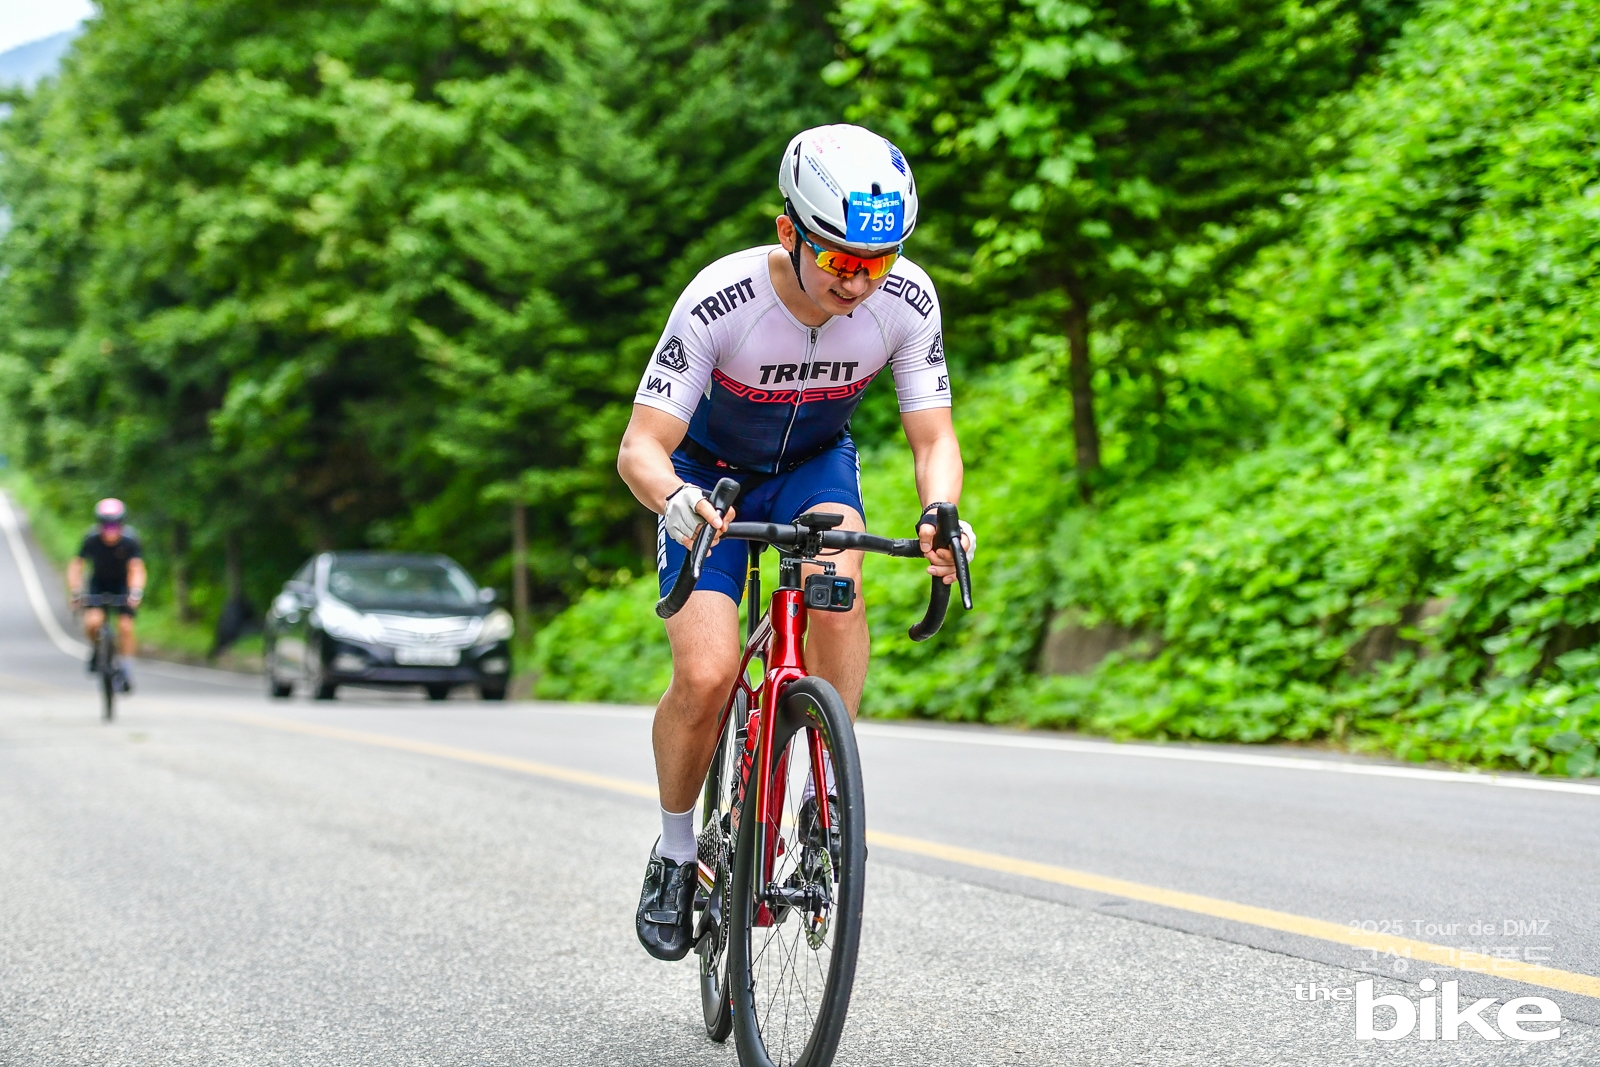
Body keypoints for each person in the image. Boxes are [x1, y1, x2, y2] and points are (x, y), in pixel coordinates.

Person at [617, 123, 976, 961]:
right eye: (841, 259)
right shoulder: (721, 298)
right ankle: (676, 851)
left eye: (878, 262)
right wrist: (674, 499)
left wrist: (940, 511)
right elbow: (640, 447)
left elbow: (933, 436)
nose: (859, 281)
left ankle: (823, 785)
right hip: (707, 478)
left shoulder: (907, 298)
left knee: (838, 592)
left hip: (813, 467)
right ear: (789, 231)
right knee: (706, 674)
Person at [67, 498, 146, 692]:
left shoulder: (130, 541)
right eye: (106, 525)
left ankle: (126, 669)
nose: (110, 530)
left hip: (122, 586)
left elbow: (136, 568)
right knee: (93, 622)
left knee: (126, 627)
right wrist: (75, 591)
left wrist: (136, 592)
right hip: (99, 584)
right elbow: (77, 566)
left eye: (114, 525)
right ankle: (97, 649)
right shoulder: (91, 539)